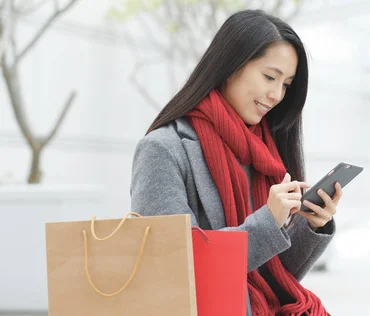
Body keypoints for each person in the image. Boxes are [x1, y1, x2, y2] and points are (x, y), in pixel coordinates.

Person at [130, 9, 342, 316]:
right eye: (269, 77)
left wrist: (313, 224)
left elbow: (273, 277)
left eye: (286, 84)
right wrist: (268, 221)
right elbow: (173, 265)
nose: (276, 94)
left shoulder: (266, 152)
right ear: (231, 67)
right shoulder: (163, 150)